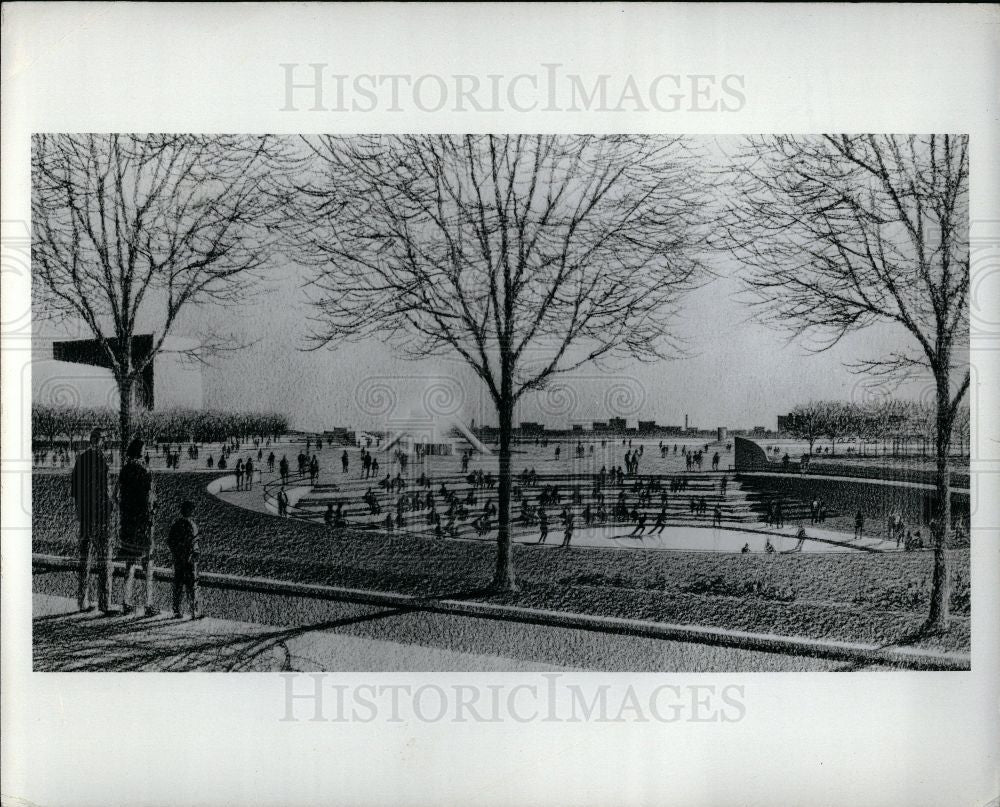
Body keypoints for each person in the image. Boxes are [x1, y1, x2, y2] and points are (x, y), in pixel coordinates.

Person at [71, 428, 112, 612]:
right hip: (98, 516)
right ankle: (104, 602)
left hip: (85, 517)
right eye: (103, 439)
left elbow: (74, 490)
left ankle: (83, 601)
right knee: (103, 561)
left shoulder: (81, 459)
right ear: (99, 440)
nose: (105, 442)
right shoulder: (101, 459)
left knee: (84, 560)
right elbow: (105, 490)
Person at [117, 438, 158, 616]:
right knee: (148, 564)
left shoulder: (124, 471)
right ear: (141, 453)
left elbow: (115, 496)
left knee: (130, 564)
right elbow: (150, 499)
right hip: (143, 524)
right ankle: (148, 604)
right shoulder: (145, 471)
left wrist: (125, 509)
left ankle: (126, 602)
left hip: (128, 523)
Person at [167, 499, 201, 619]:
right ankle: (192, 611)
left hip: (181, 560)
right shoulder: (192, 525)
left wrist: (177, 554)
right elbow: (195, 543)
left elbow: (171, 542)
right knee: (190, 585)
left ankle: (178, 610)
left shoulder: (177, 525)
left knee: (179, 584)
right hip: (188, 560)